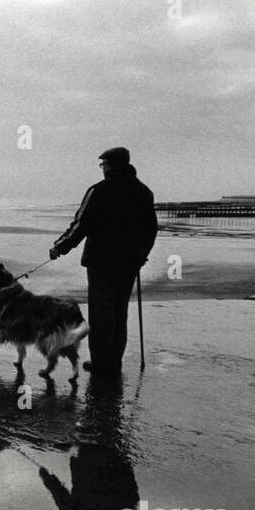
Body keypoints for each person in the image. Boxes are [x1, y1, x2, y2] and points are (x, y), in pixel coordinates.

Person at [48, 146, 157, 374]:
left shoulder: (99, 191)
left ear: (113, 165)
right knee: (119, 311)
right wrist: (142, 254)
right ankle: (114, 360)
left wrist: (60, 247)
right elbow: (150, 229)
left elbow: (81, 225)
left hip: (102, 262)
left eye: (104, 164)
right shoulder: (143, 192)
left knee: (101, 313)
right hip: (129, 263)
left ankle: (102, 363)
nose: (103, 168)